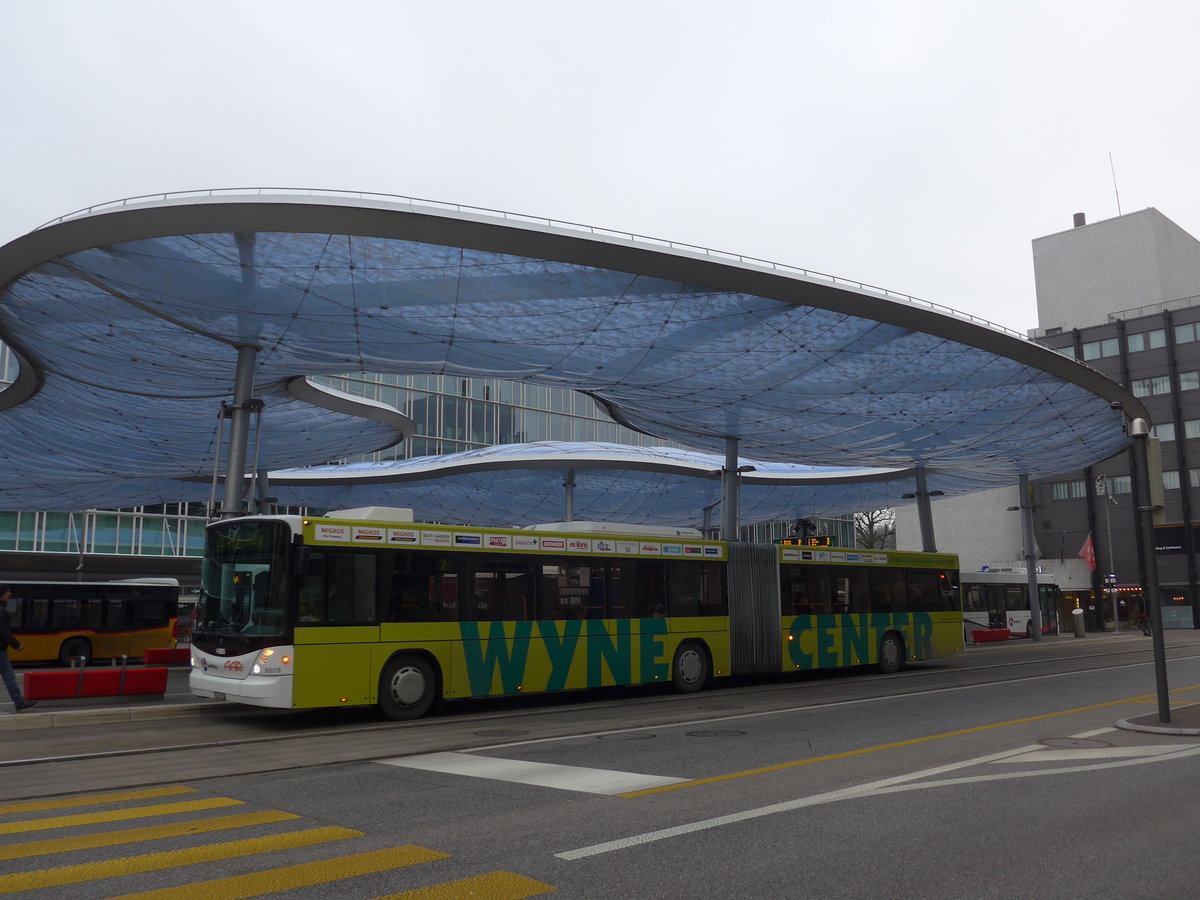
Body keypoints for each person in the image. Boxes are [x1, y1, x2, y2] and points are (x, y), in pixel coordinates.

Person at [0, 584, 36, 712]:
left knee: (8, 675)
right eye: (7, 592)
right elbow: (3, 631)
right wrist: (17, 645)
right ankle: (19, 702)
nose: (9, 594)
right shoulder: (1, 611)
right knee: (8, 676)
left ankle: (19, 701)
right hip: (0, 650)